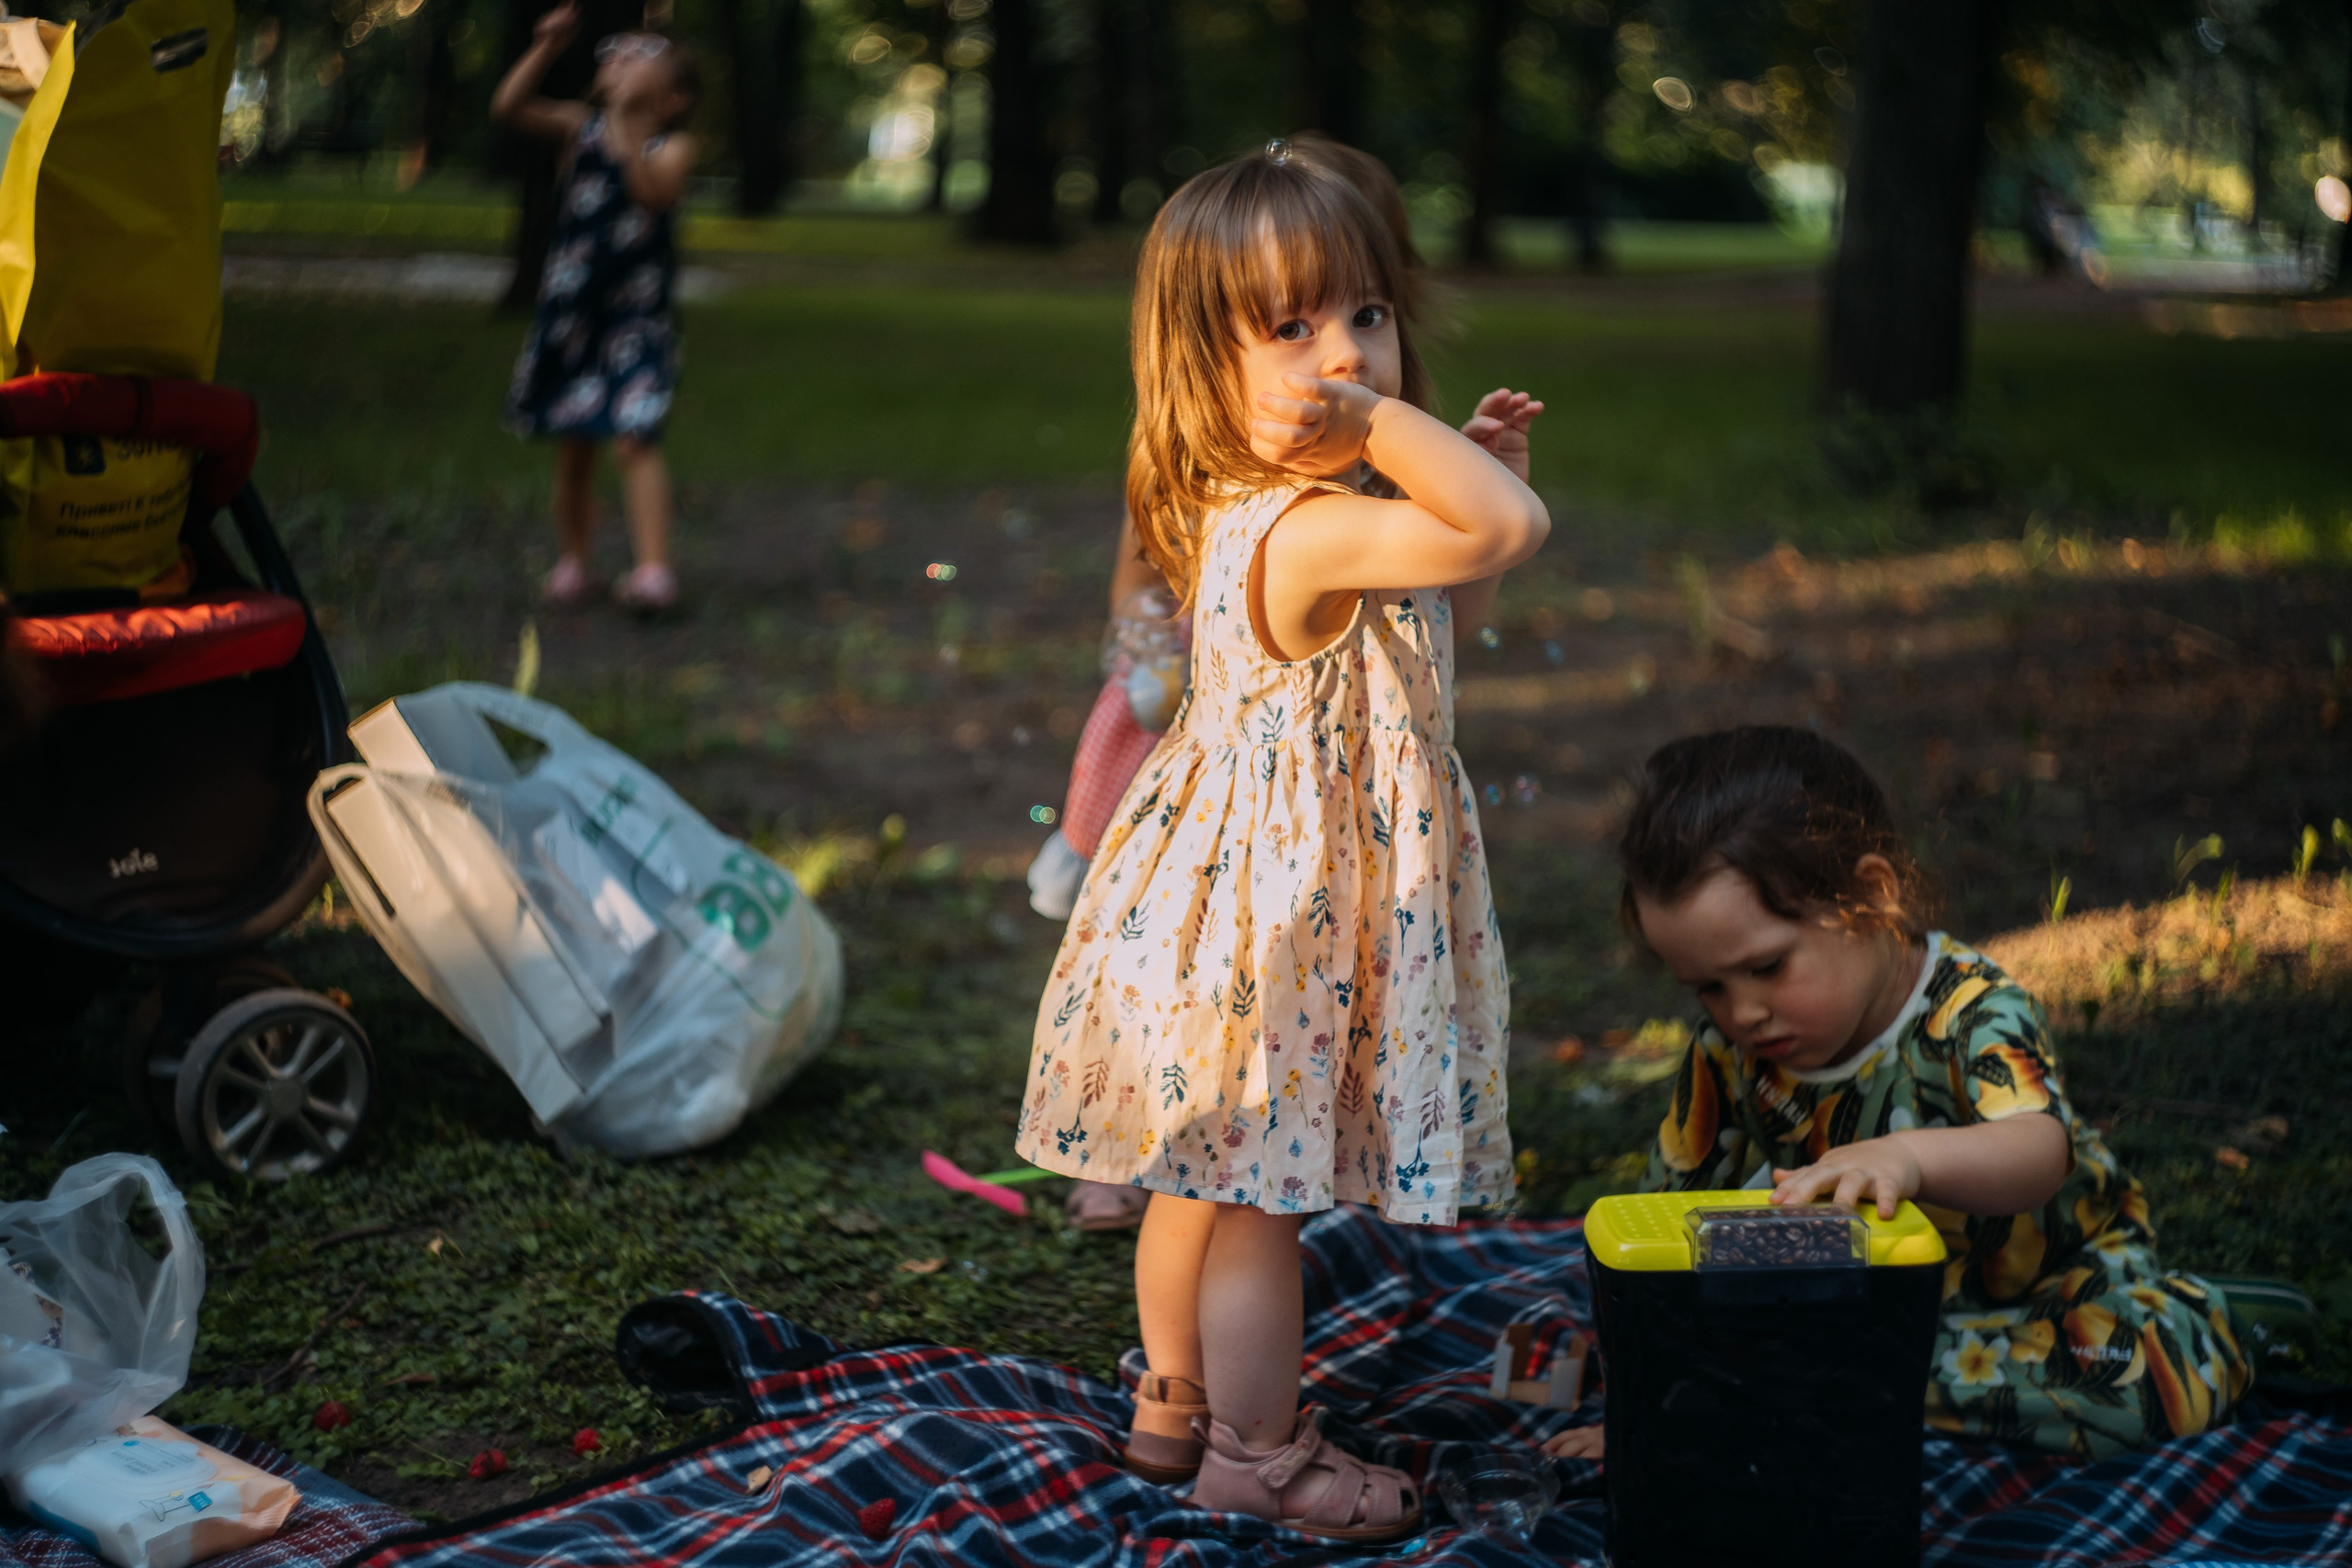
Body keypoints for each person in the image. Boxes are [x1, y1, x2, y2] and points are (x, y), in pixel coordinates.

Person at [1013, 143, 1550, 1540]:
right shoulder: (1307, 525)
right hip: (1281, 918)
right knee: (1258, 1206)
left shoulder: (1284, 514)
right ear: (1207, 361)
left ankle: (1174, 1400)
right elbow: (1516, 529)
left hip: (1235, 898)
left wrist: (1454, 488)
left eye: (1367, 314)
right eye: (1295, 327)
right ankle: (1259, 1452)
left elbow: (1451, 611)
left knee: (1197, 1174)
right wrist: (1411, 447)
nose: (1350, 356)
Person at [1545, 726, 2253, 1461]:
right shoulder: (1729, 1054)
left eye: (1768, 966)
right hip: (1869, 1321)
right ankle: (1827, 1394)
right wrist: (1645, 1403)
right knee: (1793, 1367)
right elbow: (1663, 1225)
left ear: (1870, 896)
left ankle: (2218, 1323)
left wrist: (1906, 1156)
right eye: (1709, 987)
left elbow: (2038, 1149)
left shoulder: (1971, 1009)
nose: (1742, 1011)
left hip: (2051, 1297)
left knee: (2151, 1373)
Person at [492, 2, 698, 615]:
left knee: (636, 436)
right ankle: (576, 561)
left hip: (637, 320)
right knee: (574, 443)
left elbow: (653, 195)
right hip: (573, 315)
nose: (624, 58)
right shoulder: (576, 129)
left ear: (675, 98)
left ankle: (654, 570)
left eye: (644, 56)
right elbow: (508, 107)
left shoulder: (672, 146)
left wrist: (630, 129)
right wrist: (547, 48)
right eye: (619, 53)